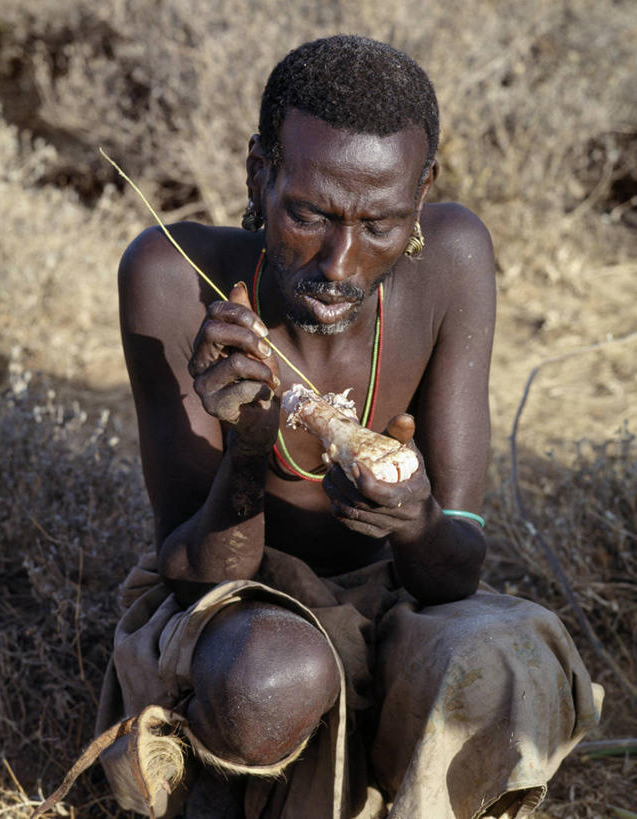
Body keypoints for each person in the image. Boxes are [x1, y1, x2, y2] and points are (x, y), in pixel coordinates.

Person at [95, 35, 603, 819]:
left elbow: (452, 573)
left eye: (381, 224)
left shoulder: (452, 260)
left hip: (394, 601)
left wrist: (416, 517)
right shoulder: (172, 277)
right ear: (259, 173)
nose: (338, 263)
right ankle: (223, 780)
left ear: (422, 193)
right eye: (309, 214)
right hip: (237, 619)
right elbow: (194, 572)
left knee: (505, 655)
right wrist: (248, 447)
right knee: (272, 677)